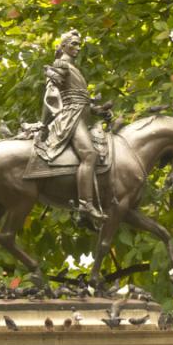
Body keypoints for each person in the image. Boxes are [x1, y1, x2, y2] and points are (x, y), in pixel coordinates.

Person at [37, 29, 107, 222]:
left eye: (79, 44)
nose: (77, 47)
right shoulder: (62, 64)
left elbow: (79, 98)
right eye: (74, 43)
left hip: (81, 115)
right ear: (64, 45)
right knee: (89, 155)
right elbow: (51, 95)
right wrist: (43, 124)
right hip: (71, 118)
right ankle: (85, 205)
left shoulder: (74, 68)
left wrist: (98, 110)